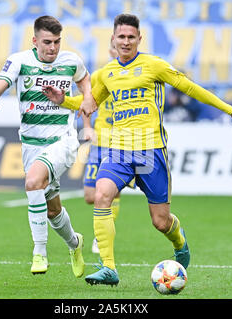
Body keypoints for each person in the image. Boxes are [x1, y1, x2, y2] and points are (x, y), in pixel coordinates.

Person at [43, 13, 232, 286]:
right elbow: (89, 104)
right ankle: (108, 268)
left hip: (151, 151)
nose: (126, 41)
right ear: (113, 39)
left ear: (140, 39)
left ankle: (180, 243)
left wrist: (229, 109)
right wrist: (64, 100)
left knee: (161, 221)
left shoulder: (154, 65)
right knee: (102, 194)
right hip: (118, 150)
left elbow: (190, 88)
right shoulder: (107, 74)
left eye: (131, 37)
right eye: (121, 36)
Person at [0, 15, 97, 277]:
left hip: (63, 140)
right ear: (35, 41)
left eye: (57, 42)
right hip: (31, 144)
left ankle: (39, 252)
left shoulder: (70, 61)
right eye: (47, 42)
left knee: (33, 180)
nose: (53, 48)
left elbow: (85, 78)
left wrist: (87, 104)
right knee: (53, 210)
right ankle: (74, 243)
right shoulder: (20, 61)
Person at [80, 40, 135, 254]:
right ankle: (104, 228)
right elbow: (86, 103)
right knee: (89, 196)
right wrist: (87, 127)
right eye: (113, 47)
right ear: (110, 50)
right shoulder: (100, 76)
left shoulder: (134, 77)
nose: (117, 50)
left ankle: (100, 238)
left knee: (113, 193)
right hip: (99, 143)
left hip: (120, 144)